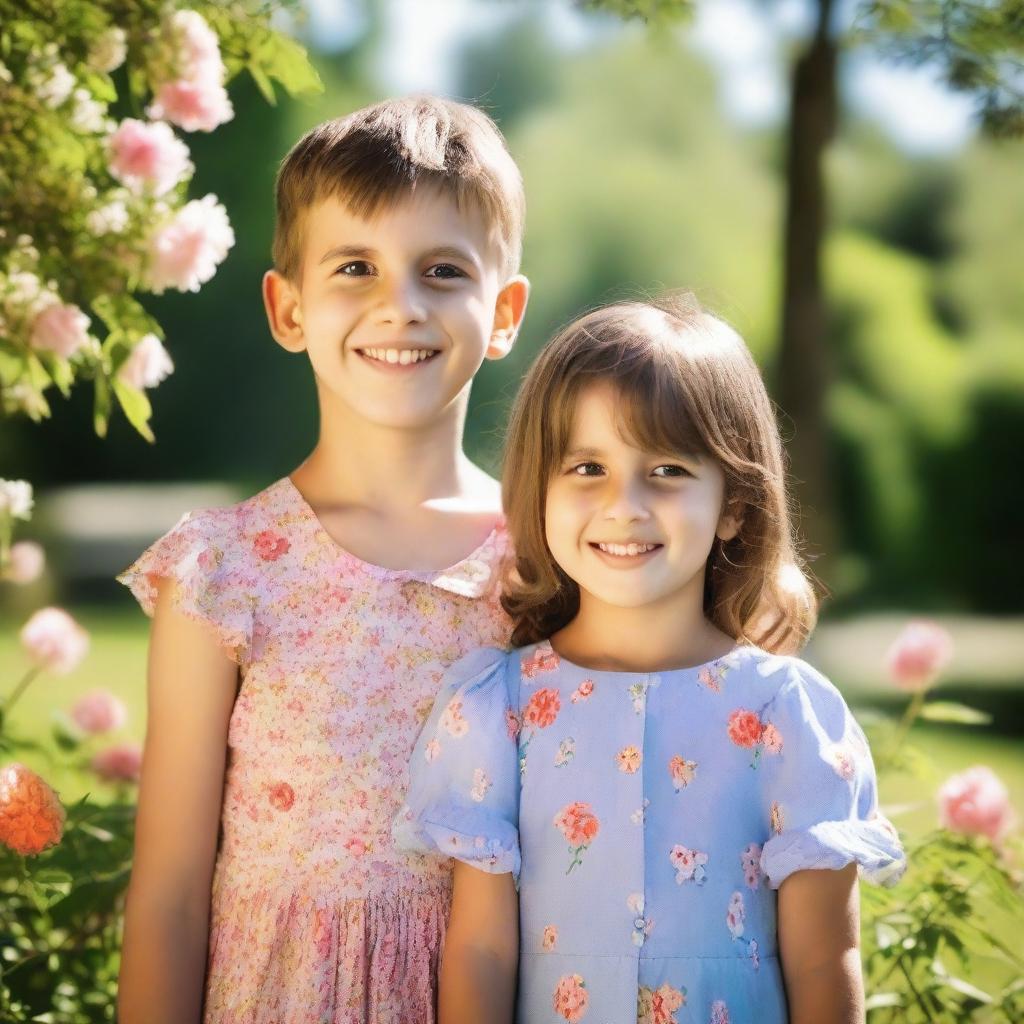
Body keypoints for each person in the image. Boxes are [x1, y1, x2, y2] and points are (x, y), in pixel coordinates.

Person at [116, 96, 529, 1024]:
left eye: (442, 270)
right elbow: (171, 895)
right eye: (355, 267)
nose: (401, 305)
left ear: (501, 312)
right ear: (288, 306)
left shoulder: (543, 564)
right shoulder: (223, 573)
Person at [396, 295, 905, 1024]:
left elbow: (826, 960)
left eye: (666, 469)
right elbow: (482, 951)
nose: (624, 505)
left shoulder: (785, 713)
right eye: (586, 468)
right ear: (539, 489)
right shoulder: (497, 707)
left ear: (734, 504)